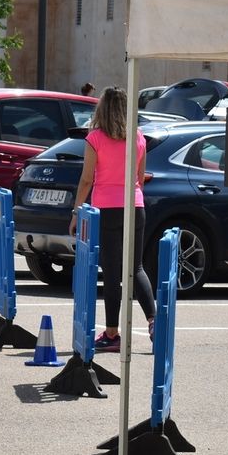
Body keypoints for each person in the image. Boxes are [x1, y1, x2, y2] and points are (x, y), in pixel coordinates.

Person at [67, 86, 156, 352]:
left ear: (102, 110)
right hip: (135, 205)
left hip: (106, 208)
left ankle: (112, 334)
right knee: (136, 267)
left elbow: (86, 179)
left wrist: (76, 211)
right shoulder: (138, 137)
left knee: (112, 273)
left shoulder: (95, 138)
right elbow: (140, 177)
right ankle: (154, 320)